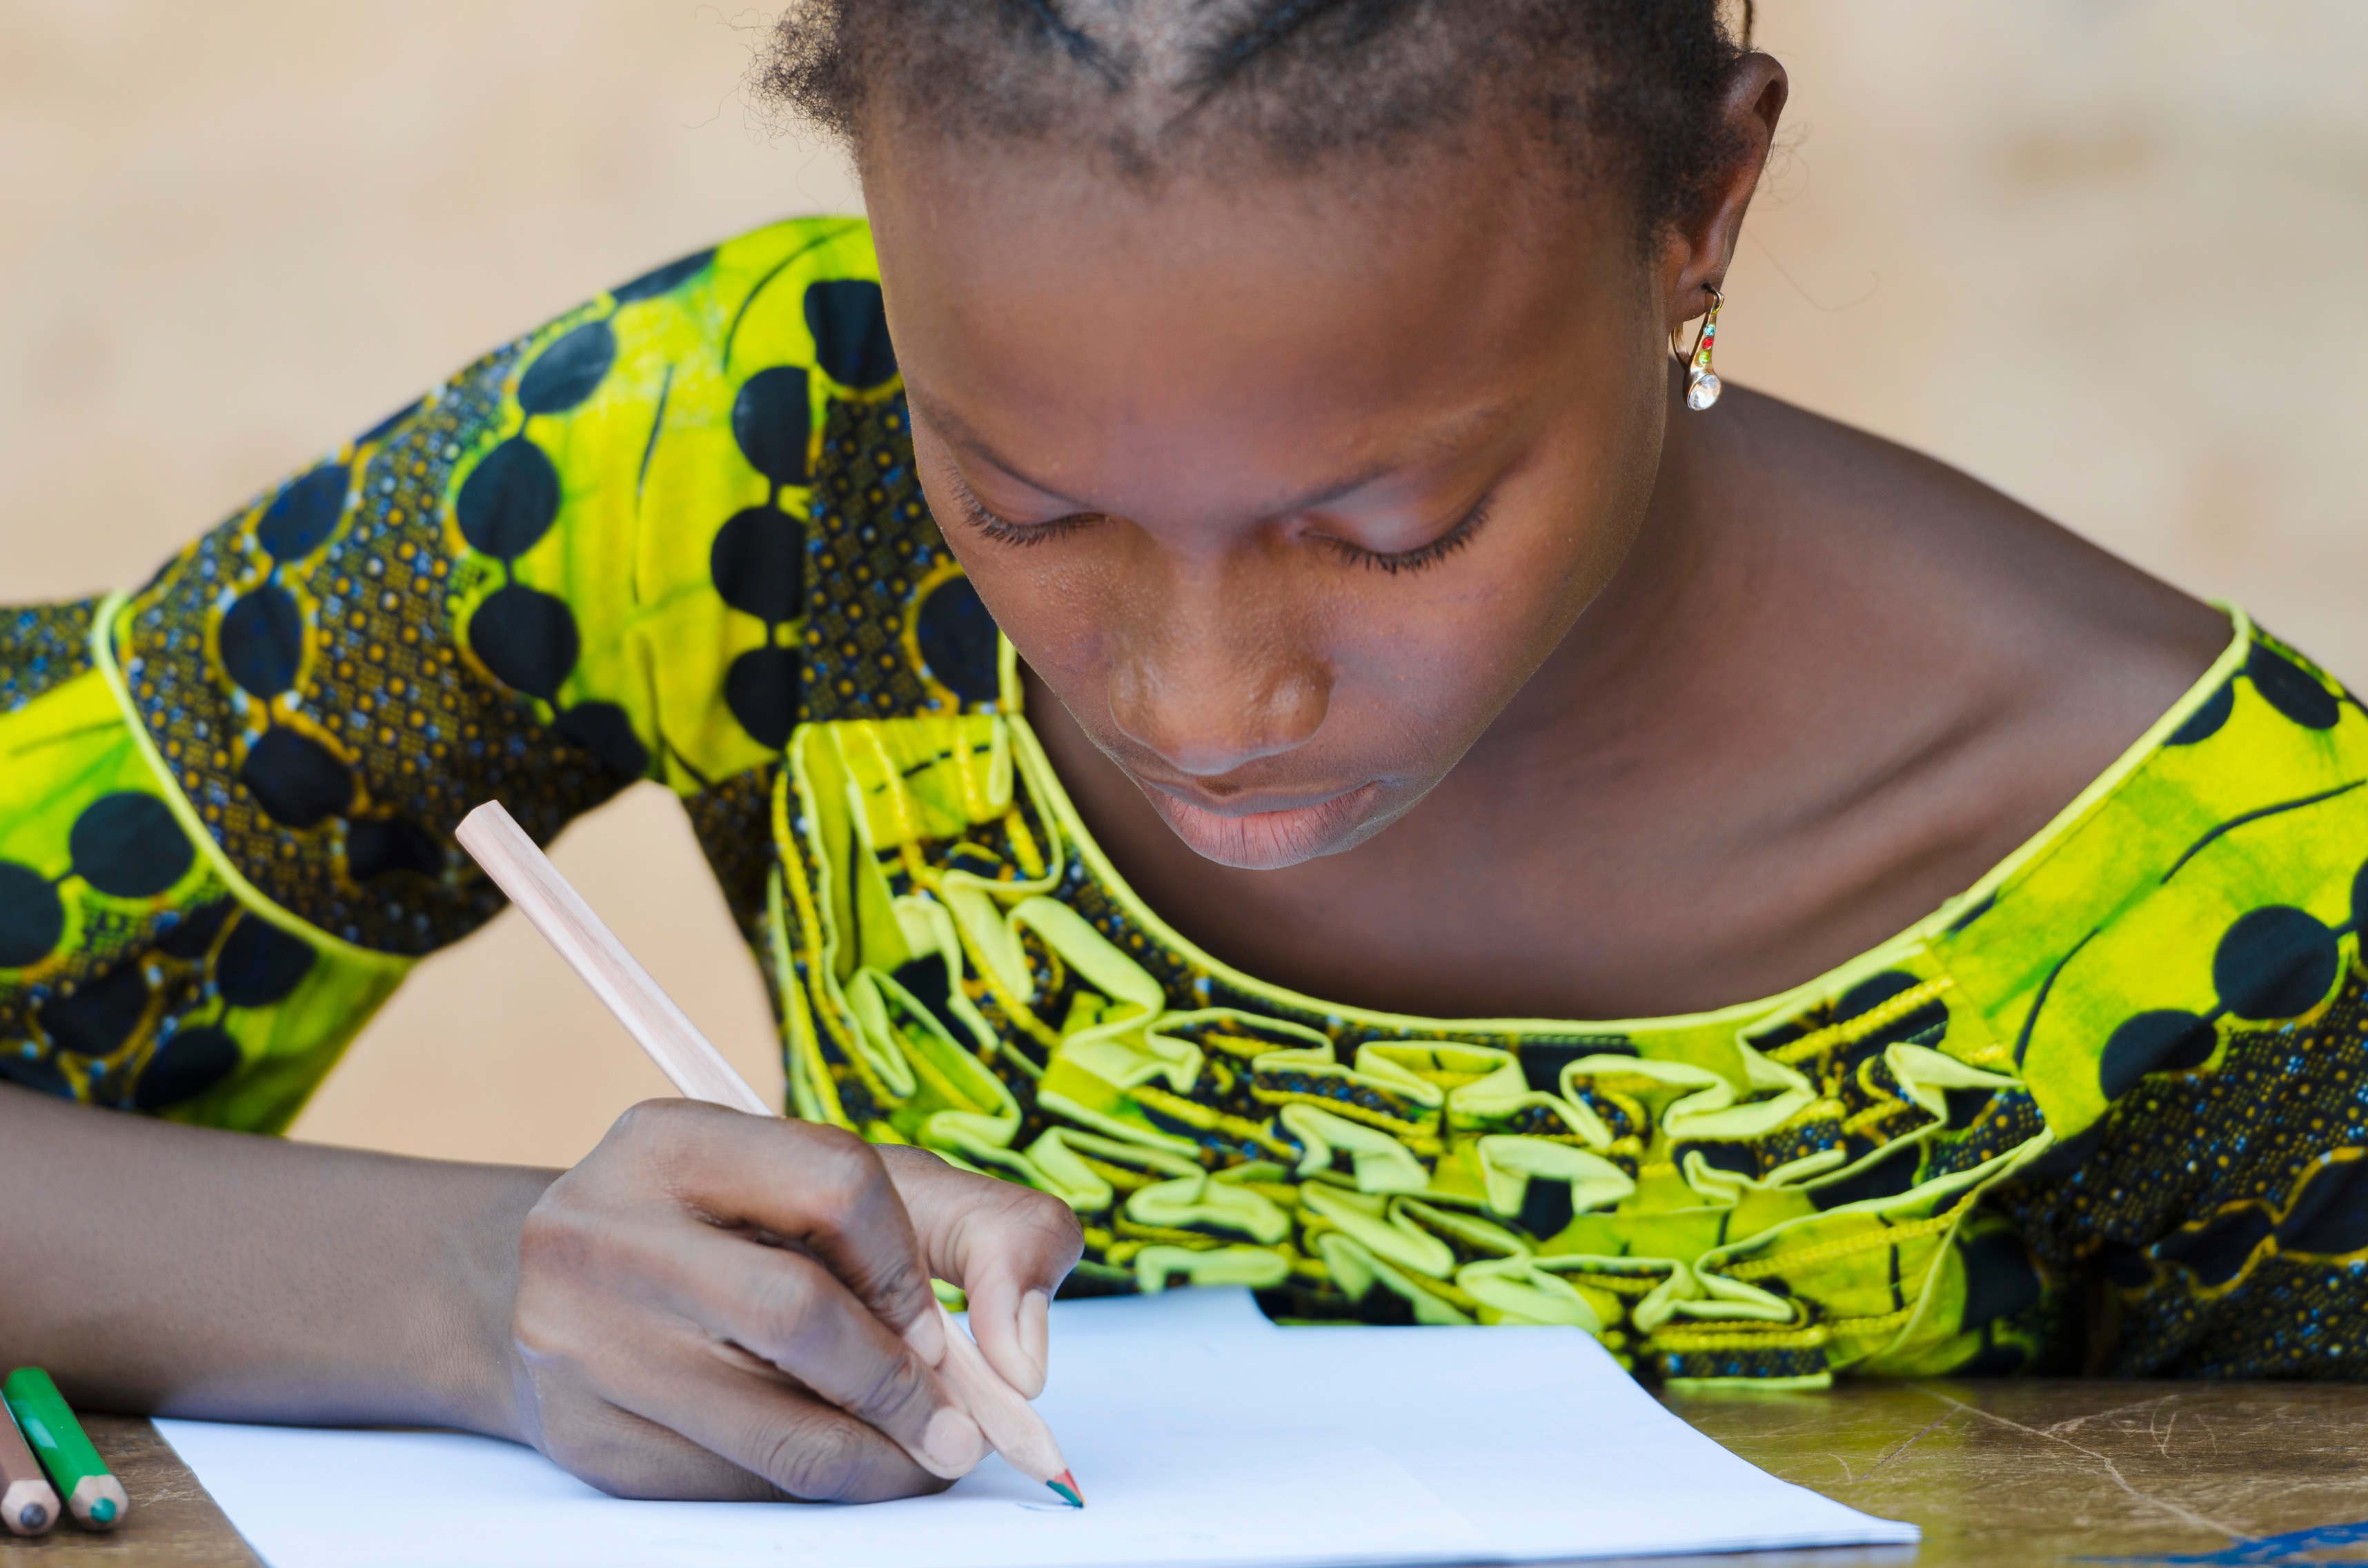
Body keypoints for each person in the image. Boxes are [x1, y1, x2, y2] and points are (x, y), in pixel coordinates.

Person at [5, 0, 2364, 1508]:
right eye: (1023, 503)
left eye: (1389, 527)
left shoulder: (2207, 885)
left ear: (1701, 212)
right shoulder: (731, 463)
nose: (1199, 698)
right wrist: (470, 1286)